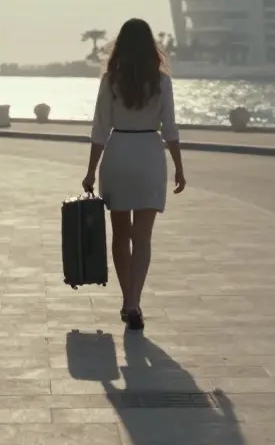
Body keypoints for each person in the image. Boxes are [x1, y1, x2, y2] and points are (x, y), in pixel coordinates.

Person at [81, 18, 185, 331]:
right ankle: (134, 302)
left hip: (118, 153)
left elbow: (100, 129)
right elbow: (170, 129)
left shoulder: (110, 80)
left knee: (120, 235)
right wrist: (179, 167)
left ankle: (127, 298)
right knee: (142, 238)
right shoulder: (161, 82)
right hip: (150, 154)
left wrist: (90, 171)